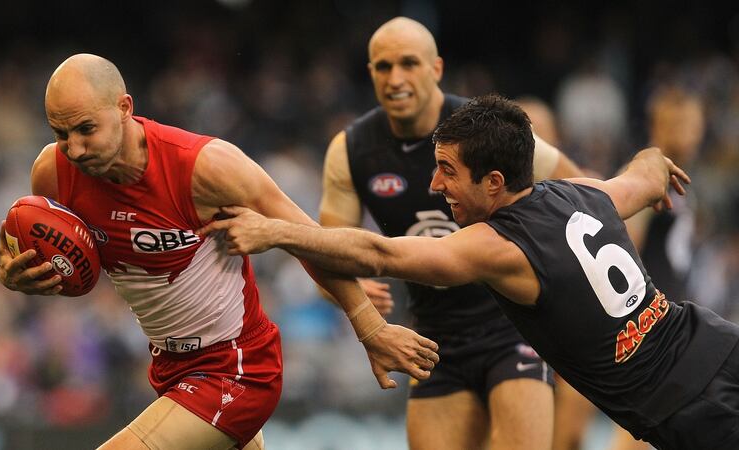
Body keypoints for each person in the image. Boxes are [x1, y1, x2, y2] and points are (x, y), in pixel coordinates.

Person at [205, 95, 739, 450]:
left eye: (448, 171)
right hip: (717, 342)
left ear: (494, 182)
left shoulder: (499, 245)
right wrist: (655, 158)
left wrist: (277, 232)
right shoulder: (586, 194)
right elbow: (643, 175)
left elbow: (380, 254)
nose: (434, 185)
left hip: (686, 407)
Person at [0, 54, 439, 450]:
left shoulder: (204, 166)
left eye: (86, 129)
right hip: (169, 369)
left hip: (239, 367)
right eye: (60, 133)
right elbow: (49, 256)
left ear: (125, 108)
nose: (74, 148)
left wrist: (368, 326)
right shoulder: (54, 174)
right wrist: (15, 277)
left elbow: (309, 241)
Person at [319, 17, 582, 450]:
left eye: (408, 63)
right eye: (383, 67)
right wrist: (351, 288)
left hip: (512, 326)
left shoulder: (487, 128)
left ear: (436, 68)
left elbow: (570, 190)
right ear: (370, 73)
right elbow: (329, 256)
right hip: (433, 340)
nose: (396, 78)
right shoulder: (351, 150)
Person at [553, 86, 708, 450]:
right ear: (658, 125)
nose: (690, 132)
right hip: (640, 323)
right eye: (681, 123)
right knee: (597, 429)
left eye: (694, 123)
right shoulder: (645, 176)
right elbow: (620, 244)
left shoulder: (676, 174)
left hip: (656, 319)